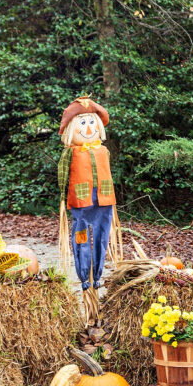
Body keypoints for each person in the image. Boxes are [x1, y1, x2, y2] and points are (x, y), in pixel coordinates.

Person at [57, 96, 123, 325]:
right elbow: (63, 180)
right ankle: (85, 278)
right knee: (81, 238)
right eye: (82, 123)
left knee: (103, 238)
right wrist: (64, 202)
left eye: (91, 122)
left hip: (104, 203)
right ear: (72, 129)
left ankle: (98, 278)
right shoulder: (71, 153)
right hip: (81, 205)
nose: (88, 128)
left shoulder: (103, 152)